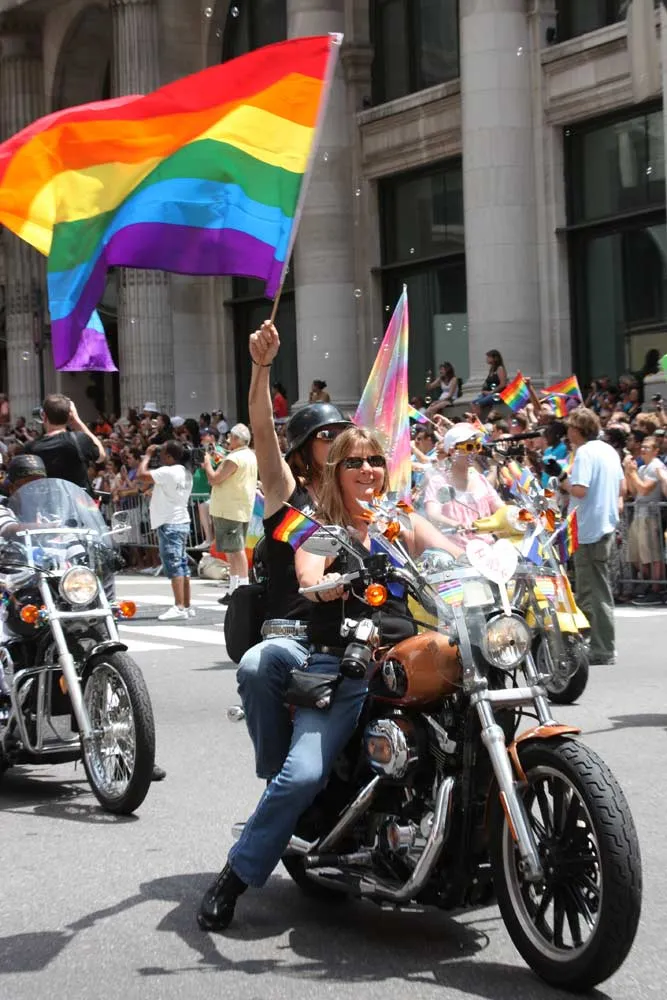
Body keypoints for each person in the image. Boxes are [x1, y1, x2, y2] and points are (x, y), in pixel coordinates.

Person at [197, 426, 462, 932]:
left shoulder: (400, 522)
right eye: (354, 462)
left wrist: (491, 562)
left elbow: (453, 554)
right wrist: (324, 585)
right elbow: (309, 575)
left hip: (408, 660)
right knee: (301, 776)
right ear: (336, 472)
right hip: (343, 663)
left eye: (374, 461)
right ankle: (236, 874)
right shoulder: (322, 528)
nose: (367, 470)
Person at [227, 321, 353, 774]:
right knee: (256, 667)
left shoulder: (358, 494)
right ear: (301, 448)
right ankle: (277, 778)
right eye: (327, 435)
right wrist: (261, 368)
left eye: (343, 434)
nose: (339, 442)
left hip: (350, 633)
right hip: (292, 635)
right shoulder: (287, 491)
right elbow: (262, 428)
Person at [558, 408, 624, 665]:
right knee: (590, 589)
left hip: (589, 528)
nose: (568, 432)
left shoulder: (585, 452)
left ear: (578, 429)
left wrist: (562, 480)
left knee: (595, 591)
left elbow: (580, 490)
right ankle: (588, 643)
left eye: (570, 428)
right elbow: (622, 487)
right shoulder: (609, 451)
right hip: (604, 525)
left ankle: (602, 648)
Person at [136, 440, 194, 621]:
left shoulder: (167, 472)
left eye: (162, 454)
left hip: (170, 523)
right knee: (182, 565)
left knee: (174, 565)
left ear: (169, 456)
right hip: (181, 521)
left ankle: (179, 606)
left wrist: (147, 456)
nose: (159, 457)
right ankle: (186, 605)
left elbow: (141, 475)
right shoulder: (185, 472)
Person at [204, 423, 257, 602]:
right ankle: (234, 589)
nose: (228, 440)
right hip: (239, 508)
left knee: (236, 550)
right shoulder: (249, 455)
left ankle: (242, 589)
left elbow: (214, 478)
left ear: (236, 438)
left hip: (229, 510)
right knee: (233, 551)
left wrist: (206, 462)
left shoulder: (235, 458)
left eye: (230, 437)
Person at [424, 423, 503, 534]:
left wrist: (516, 514)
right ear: (452, 451)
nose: (474, 452)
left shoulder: (480, 479)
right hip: (454, 543)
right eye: (469, 447)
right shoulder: (439, 482)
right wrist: (454, 524)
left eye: (477, 446)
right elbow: (433, 513)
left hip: (486, 542)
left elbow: (500, 508)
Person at [23, 394, 105, 493]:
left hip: (47, 501)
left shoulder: (31, 447)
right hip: (76, 501)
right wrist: (77, 420)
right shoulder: (79, 440)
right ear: (69, 416)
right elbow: (101, 456)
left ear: (43, 416)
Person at [623, 436, 665, 606]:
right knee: (638, 556)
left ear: (656, 451)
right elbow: (634, 491)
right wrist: (629, 472)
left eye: (648, 447)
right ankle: (649, 584)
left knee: (653, 555)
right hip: (639, 513)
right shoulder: (642, 468)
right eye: (643, 447)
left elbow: (645, 489)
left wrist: (632, 473)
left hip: (650, 515)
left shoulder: (656, 466)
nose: (643, 450)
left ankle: (656, 589)